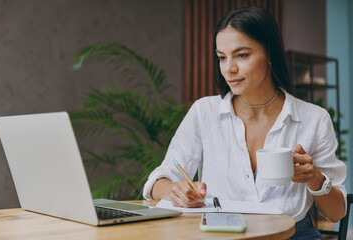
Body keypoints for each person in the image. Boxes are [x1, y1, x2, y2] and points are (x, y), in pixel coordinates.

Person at [143, 6, 347, 240]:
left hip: (292, 235)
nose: (229, 68)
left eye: (242, 55)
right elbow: (160, 180)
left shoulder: (314, 119)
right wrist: (176, 191)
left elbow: (336, 213)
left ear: (269, 54)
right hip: (220, 233)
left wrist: (314, 178)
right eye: (222, 57)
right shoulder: (204, 112)